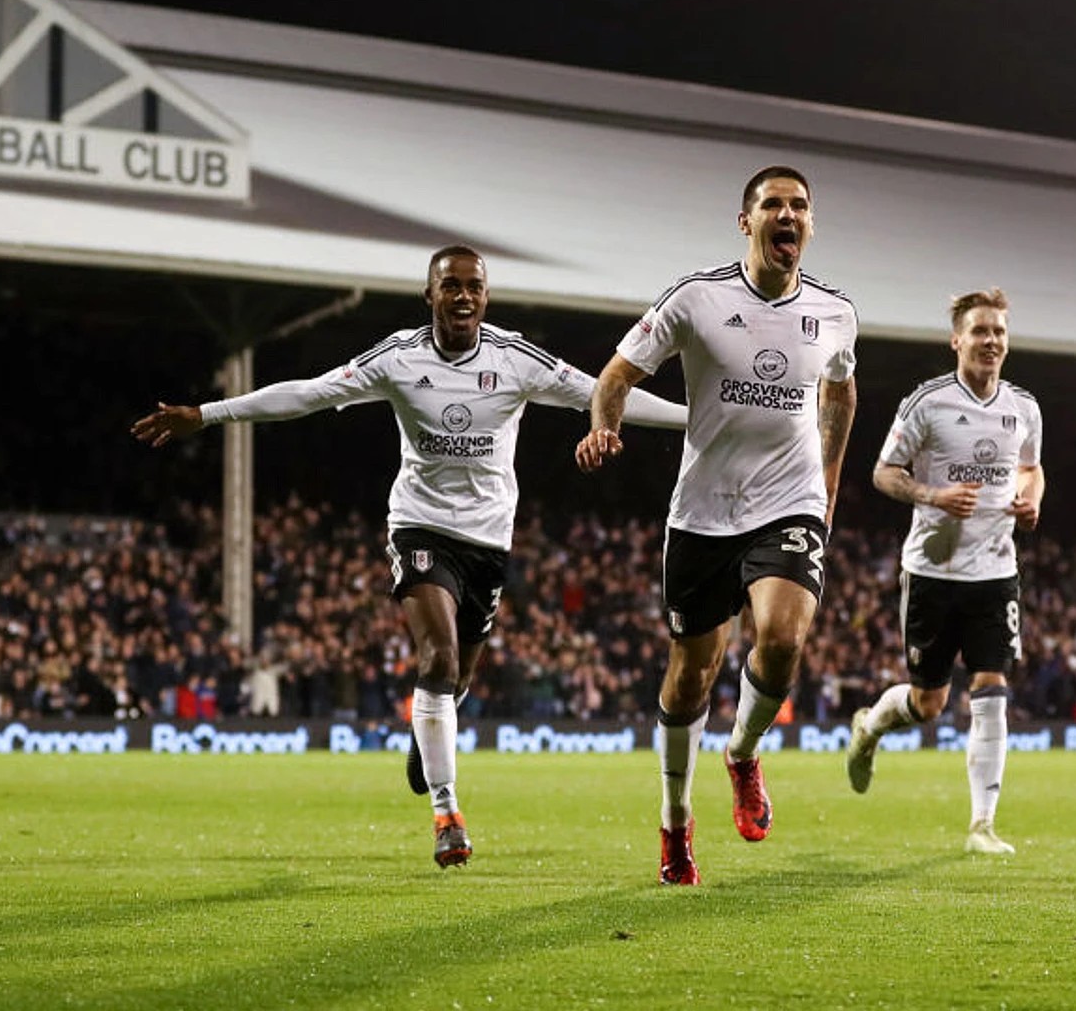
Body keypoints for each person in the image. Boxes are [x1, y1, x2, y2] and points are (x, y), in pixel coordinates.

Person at [133, 244, 687, 870]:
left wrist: (697, 421)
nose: (463, 296)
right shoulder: (399, 357)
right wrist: (207, 415)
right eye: (450, 286)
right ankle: (448, 815)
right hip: (420, 527)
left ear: (486, 296)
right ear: (430, 296)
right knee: (438, 658)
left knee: (456, 680)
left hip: (489, 540)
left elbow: (603, 394)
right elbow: (309, 394)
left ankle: (427, 736)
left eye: (473, 286)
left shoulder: (513, 358)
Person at [577, 165, 858, 885]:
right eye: (773, 205)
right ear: (747, 222)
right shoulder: (696, 298)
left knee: (784, 637)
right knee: (690, 677)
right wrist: (605, 427)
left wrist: (825, 484)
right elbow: (615, 376)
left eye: (799, 206)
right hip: (703, 512)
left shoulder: (834, 311)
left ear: (810, 225)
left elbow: (842, 391)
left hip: (788, 503)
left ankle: (742, 753)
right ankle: (675, 825)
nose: (787, 215)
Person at [845, 287, 1045, 855]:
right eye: (980, 331)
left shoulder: (1023, 407)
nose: (991, 341)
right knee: (929, 703)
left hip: (996, 570)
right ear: (957, 340)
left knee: (992, 686)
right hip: (932, 571)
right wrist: (932, 494)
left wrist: (1032, 500)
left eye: (999, 332)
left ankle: (982, 825)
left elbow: (1032, 470)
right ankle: (872, 727)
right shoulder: (926, 404)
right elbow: (884, 473)